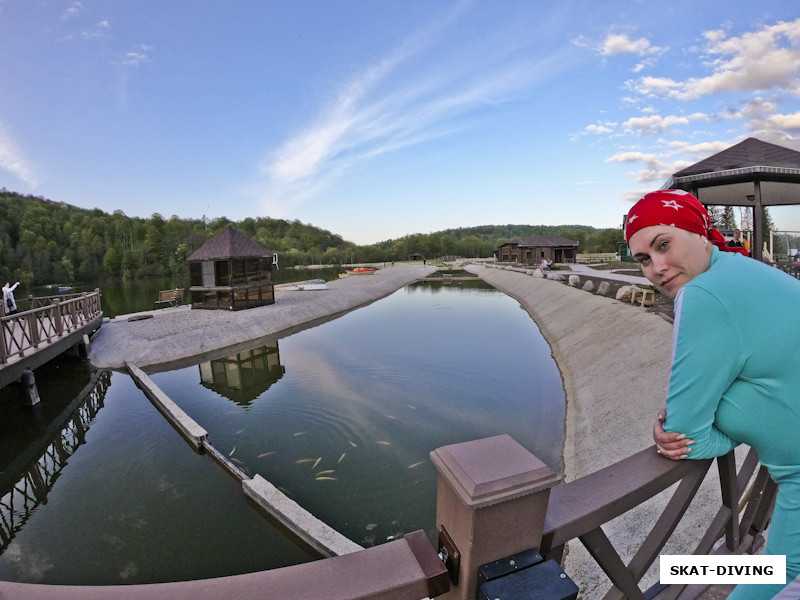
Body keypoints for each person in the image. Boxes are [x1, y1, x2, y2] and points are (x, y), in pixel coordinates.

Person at [626, 189, 800, 599]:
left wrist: (720, 420)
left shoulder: (702, 294)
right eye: (644, 259)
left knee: (781, 575)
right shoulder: (745, 269)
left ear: (700, 233)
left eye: (663, 244)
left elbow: (685, 434)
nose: (657, 267)